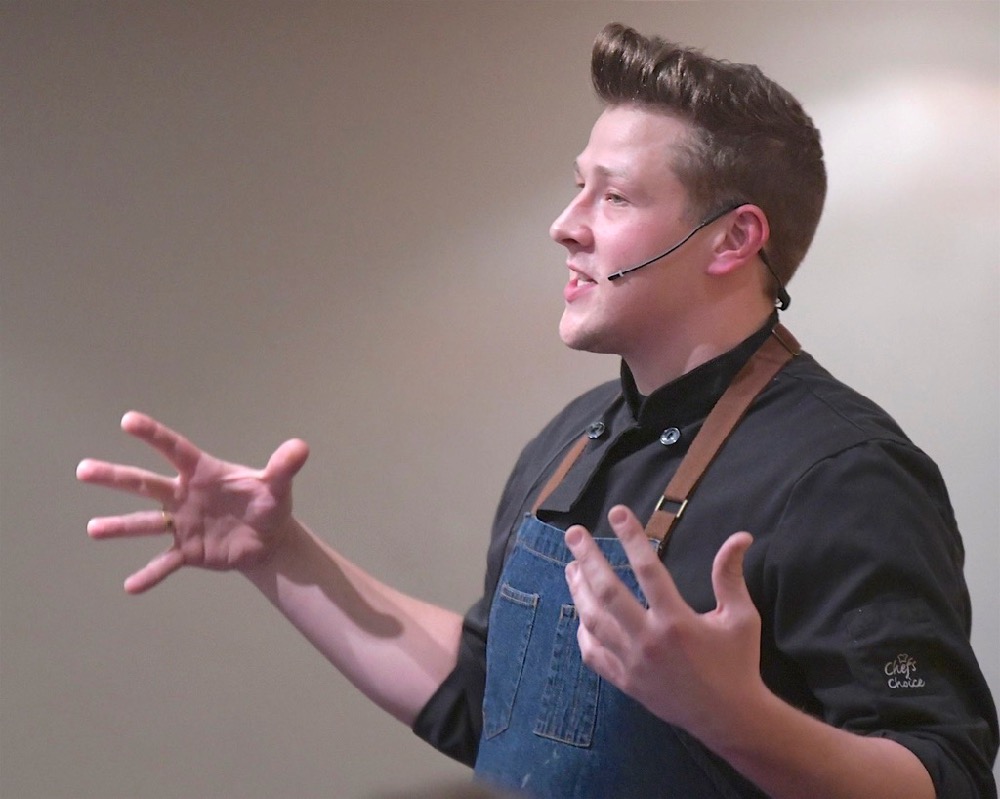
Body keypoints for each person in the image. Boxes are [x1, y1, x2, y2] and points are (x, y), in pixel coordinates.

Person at [77, 23, 997, 799]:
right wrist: (280, 552)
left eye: (615, 195)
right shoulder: (569, 443)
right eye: (577, 185)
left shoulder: (847, 475)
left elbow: (945, 772)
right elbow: (487, 700)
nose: (567, 223)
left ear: (733, 238)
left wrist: (735, 717)